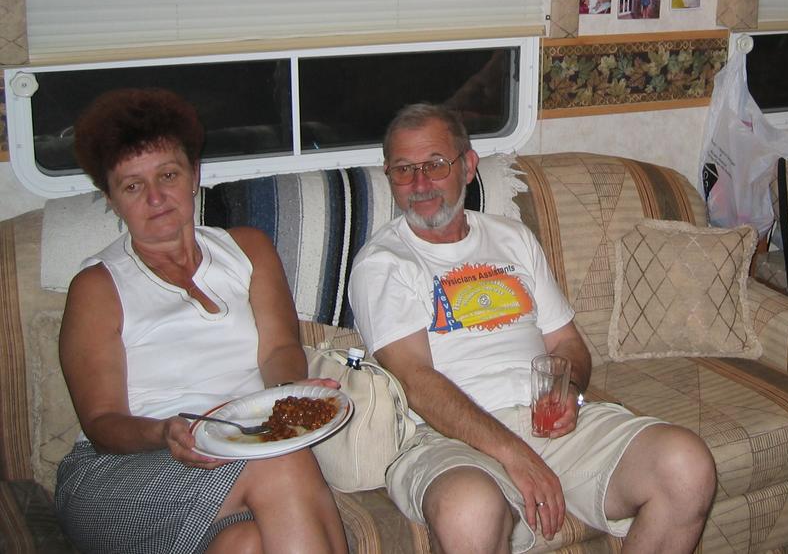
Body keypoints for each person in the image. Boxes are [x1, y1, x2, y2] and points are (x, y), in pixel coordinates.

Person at [348, 104, 717, 554]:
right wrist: (514, 454)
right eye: (404, 169)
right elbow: (415, 382)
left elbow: (567, 343)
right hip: (443, 436)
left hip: (544, 424)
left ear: (468, 166)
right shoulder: (383, 263)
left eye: (436, 164)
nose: (420, 184)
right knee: (468, 510)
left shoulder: (513, 237)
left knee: (686, 467)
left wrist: (567, 389)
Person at [55, 88, 348, 554]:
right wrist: (165, 431)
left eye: (168, 175)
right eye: (133, 186)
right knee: (281, 461)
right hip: (126, 469)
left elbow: (279, 350)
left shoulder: (248, 249)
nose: (156, 197)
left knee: (247, 543)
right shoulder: (98, 286)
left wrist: (292, 398)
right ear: (111, 198)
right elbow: (102, 423)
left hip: (237, 448)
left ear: (194, 174)